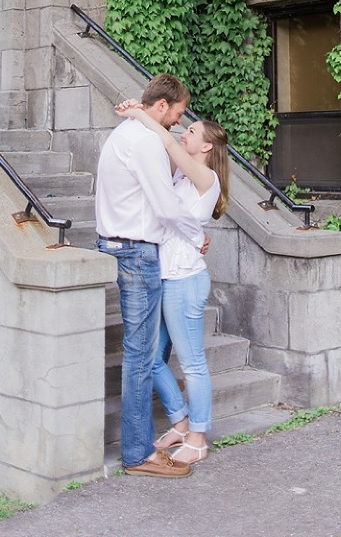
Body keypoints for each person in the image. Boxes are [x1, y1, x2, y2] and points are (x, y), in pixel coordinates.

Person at [95, 73, 208, 478]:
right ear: (162, 106)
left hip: (120, 243)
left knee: (143, 352)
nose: (178, 122)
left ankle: (170, 427)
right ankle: (139, 454)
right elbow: (165, 206)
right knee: (141, 356)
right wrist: (197, 235)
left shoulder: (123, 133)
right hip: (138, 252)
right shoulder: (145, 142)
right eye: (177, 114)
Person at [115, 99, 230, 466]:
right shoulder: (182, 175)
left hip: (185, 280)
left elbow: (166, 143)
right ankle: (180, 421)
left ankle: (198, 436)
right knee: (148, 358)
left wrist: (138, 114)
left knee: (193, 363)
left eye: (192, 131)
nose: (184, 131)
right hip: (164, 277)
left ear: (207, 146)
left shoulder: (205, 177)